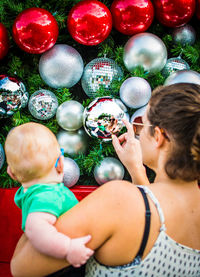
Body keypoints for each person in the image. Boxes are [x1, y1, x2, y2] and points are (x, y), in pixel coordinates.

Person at [10, 83, 200, 277]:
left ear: (158, 136)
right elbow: (157, 215)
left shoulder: (119, 199)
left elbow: (21, 267)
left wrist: (38, 183)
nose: (137, 131)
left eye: (142, 123)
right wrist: (136, 170)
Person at [4, 123, 94, 269]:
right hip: (62, 264)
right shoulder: (48, 196)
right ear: (60, 164)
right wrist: (68, 248)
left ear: (12, 174)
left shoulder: (28, 191)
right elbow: (35, 229)